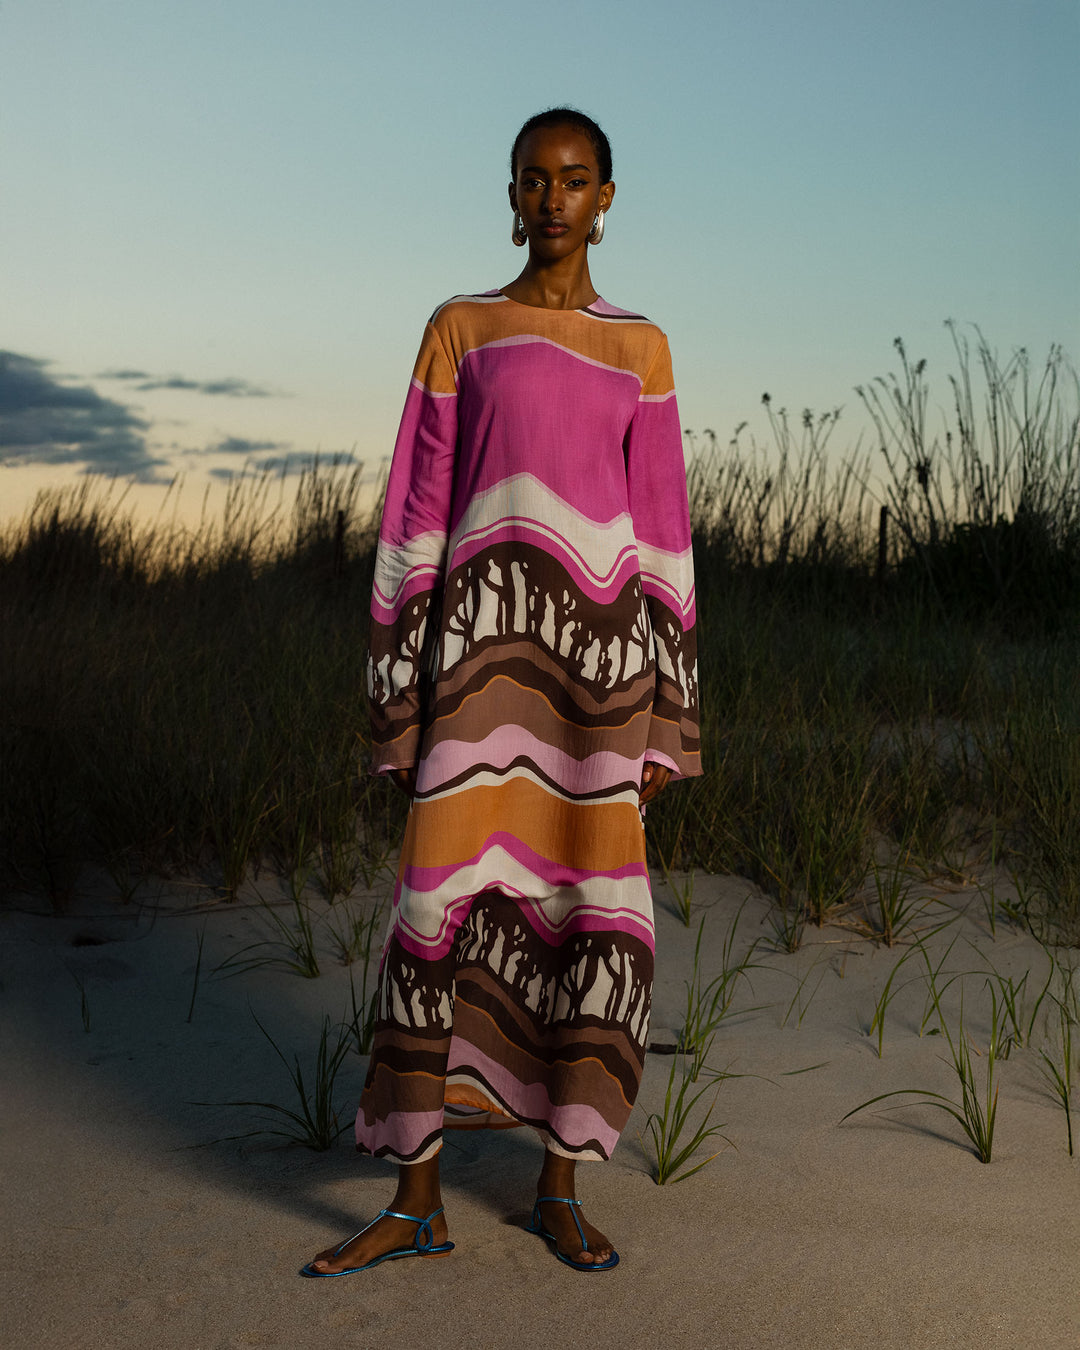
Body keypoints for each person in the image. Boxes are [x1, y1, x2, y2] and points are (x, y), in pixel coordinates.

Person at [304, 107, 700, 1277]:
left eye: (575, 181)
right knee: (435, 914)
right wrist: (400, 689)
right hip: (476, 671)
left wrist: (667, 718)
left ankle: (559, 1185)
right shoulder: (460, 330)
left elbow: (666, 534)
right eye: (534, 179)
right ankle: (415, 1195)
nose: (552, 200)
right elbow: (415, 514)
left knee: (588, 913)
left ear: (608, 196)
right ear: (511, 192)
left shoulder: (645, 349)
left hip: (598, 682)